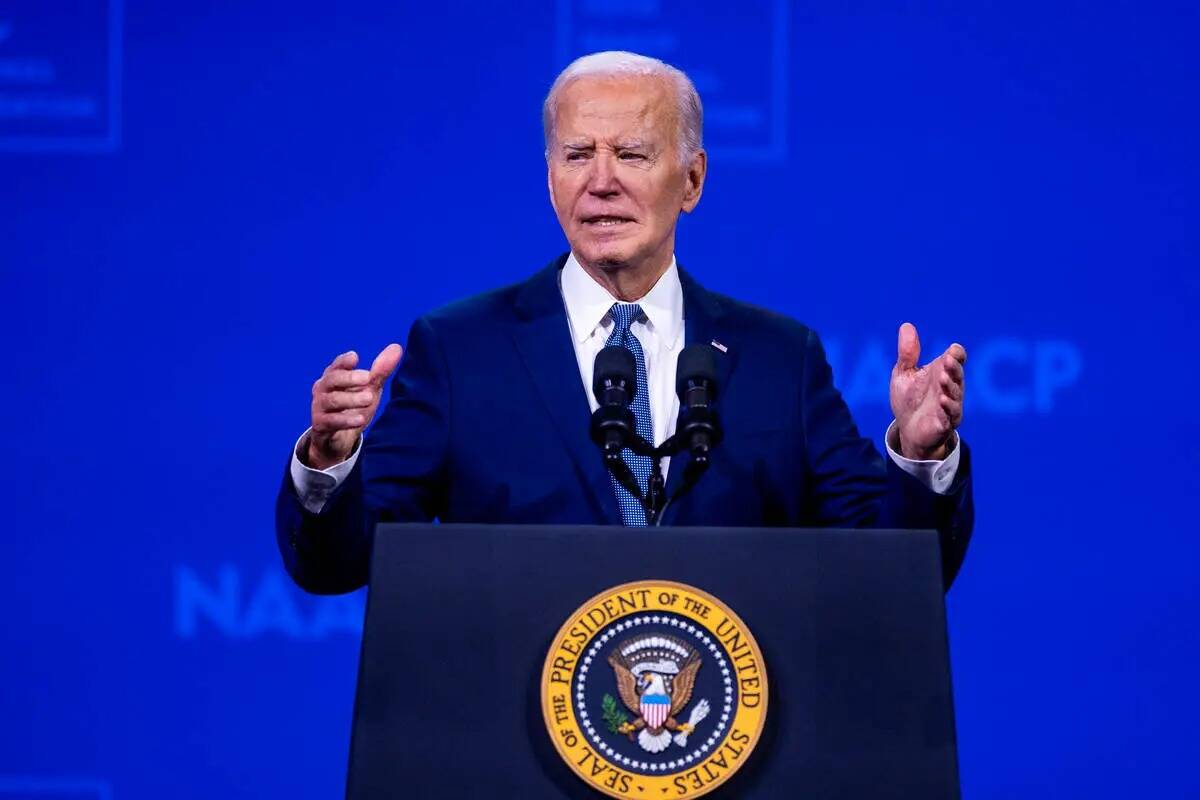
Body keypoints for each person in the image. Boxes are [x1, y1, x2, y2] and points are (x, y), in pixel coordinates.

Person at [275, 51, 973, 594]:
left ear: (692, 180)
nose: (600, 181)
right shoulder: (459, 350)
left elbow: (893, 571)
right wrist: (331, 462)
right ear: (550, 178)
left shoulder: (779, 359)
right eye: (577, 155)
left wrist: (918, 459)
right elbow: (339, 564)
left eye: (632, 154)